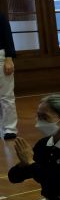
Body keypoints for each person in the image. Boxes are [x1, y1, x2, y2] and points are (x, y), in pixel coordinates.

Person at [0, 9, 15, 139]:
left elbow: (7, 37)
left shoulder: (0, 16)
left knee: (6, 95)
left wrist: (9, 58)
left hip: (1, 56)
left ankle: (10, 129)